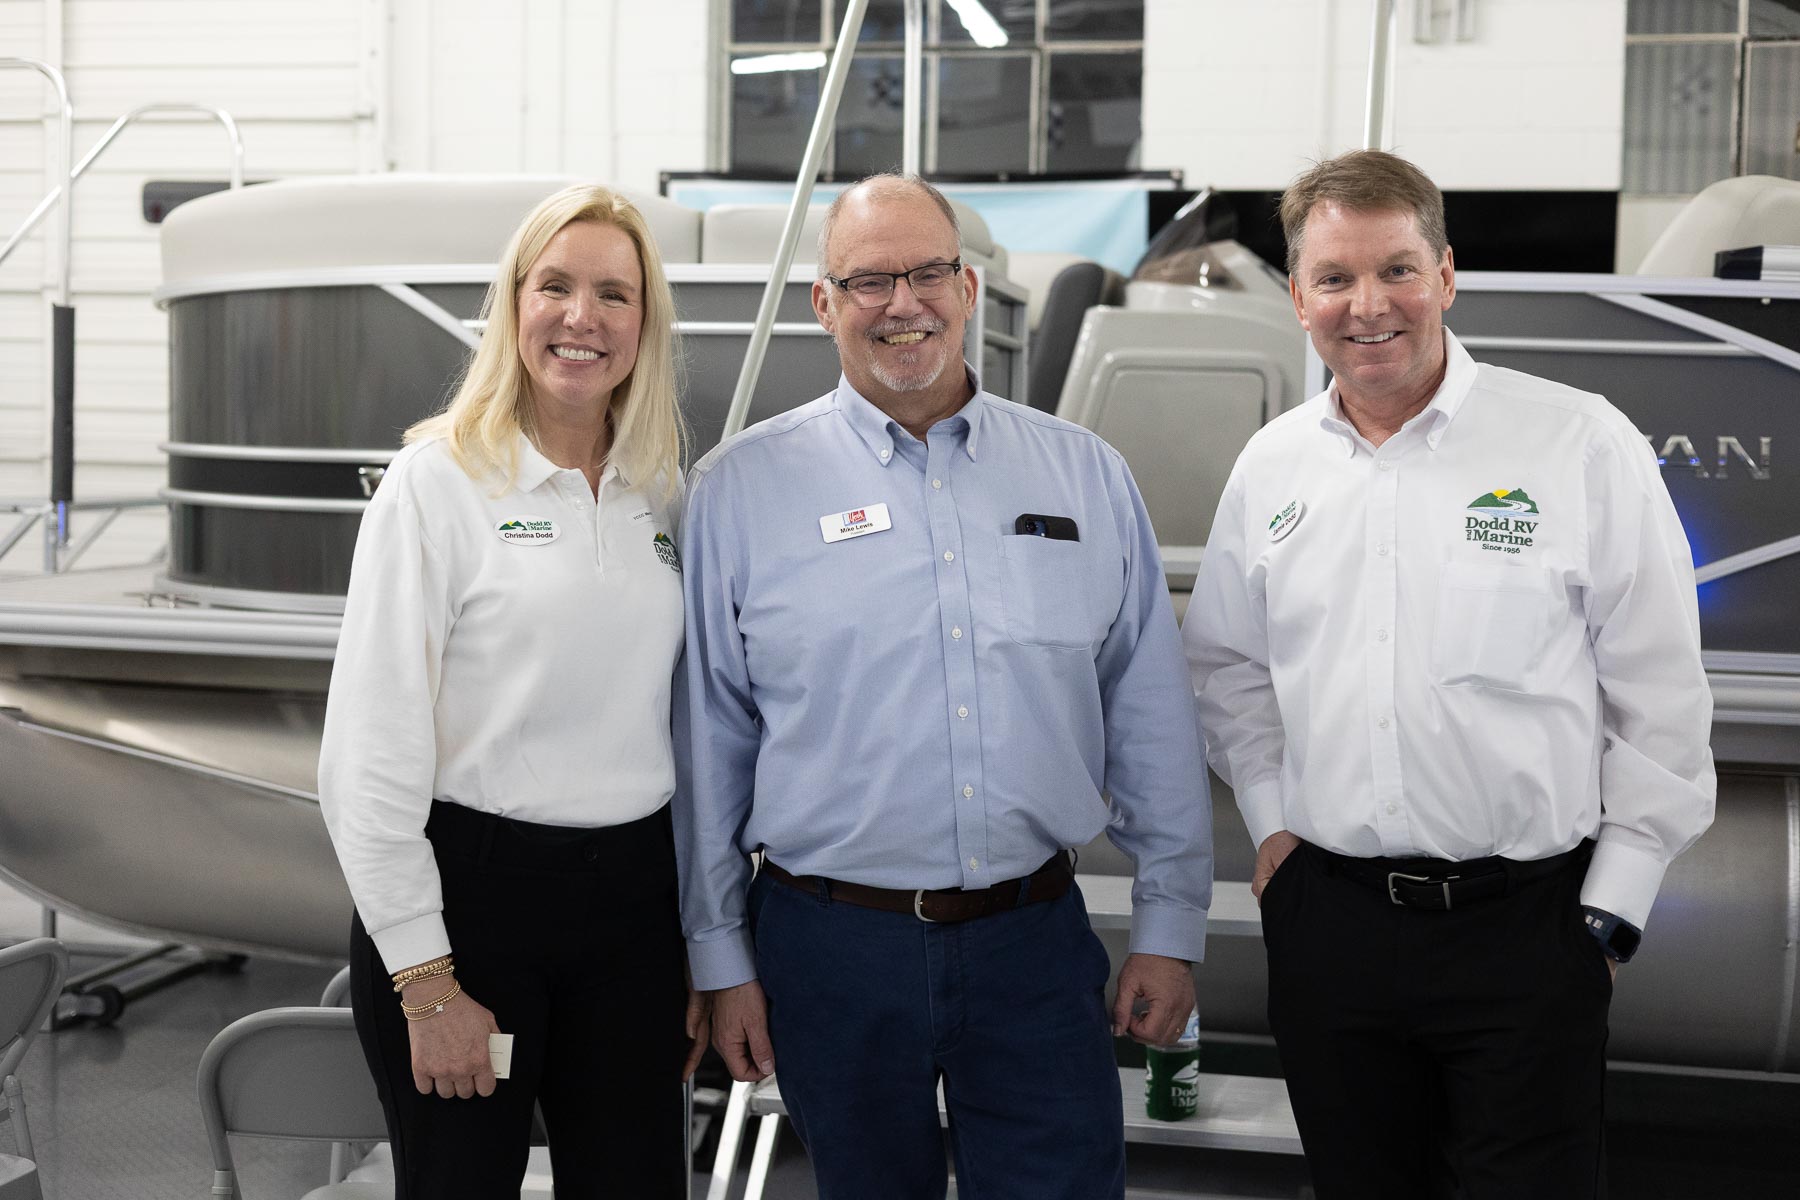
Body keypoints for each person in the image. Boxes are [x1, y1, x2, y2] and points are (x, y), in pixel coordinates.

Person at [1183, 149, 1716, 1199]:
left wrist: (1612, 905)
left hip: (1527, 931)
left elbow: (1660, 690)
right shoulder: (1273, 466)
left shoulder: (1576, 443)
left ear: (1447, 275)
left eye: (1396, 270)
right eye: (1334, 277)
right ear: (1297, 297)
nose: (1367, 305)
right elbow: (1228, 669)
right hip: (1332, 925)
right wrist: (1275, 828)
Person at [674, 174, 1213, 1200]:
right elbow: (710, 741)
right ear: (823, 303)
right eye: (868, 280)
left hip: (1032, 942)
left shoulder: (1086, 477)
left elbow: (1149, 712)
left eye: (927, 272)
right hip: (831, 947)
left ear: (966, 288)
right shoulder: (739, 493)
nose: (903, 303)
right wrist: (721, 956)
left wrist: (1169, 924)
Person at [318, 183, 704, 1198]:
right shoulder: (437, 484)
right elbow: (367, 755)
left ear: (645, 323)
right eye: (556, 287)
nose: (583, 317)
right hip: (472, 906)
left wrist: (696, 941)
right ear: (513, 304)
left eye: (614, 295)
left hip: (632, 907)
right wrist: (424, 979)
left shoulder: (661, 489)